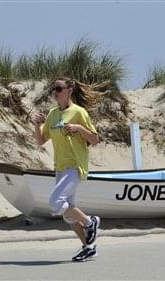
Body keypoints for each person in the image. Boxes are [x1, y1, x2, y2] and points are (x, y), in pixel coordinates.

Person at [32, 77, 101, 261]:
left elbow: (95, 139)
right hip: (60, 167)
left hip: (76, 166)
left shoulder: (79, 112)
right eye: (53, 88)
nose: (55, 91)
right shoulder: (53, 114)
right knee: (67, 214)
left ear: (69, 89)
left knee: (55, 203)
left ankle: (90, 221)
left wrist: (78, 128)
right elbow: (40, 142)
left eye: (58, 88)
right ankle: (89, 247)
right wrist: (37, 125)